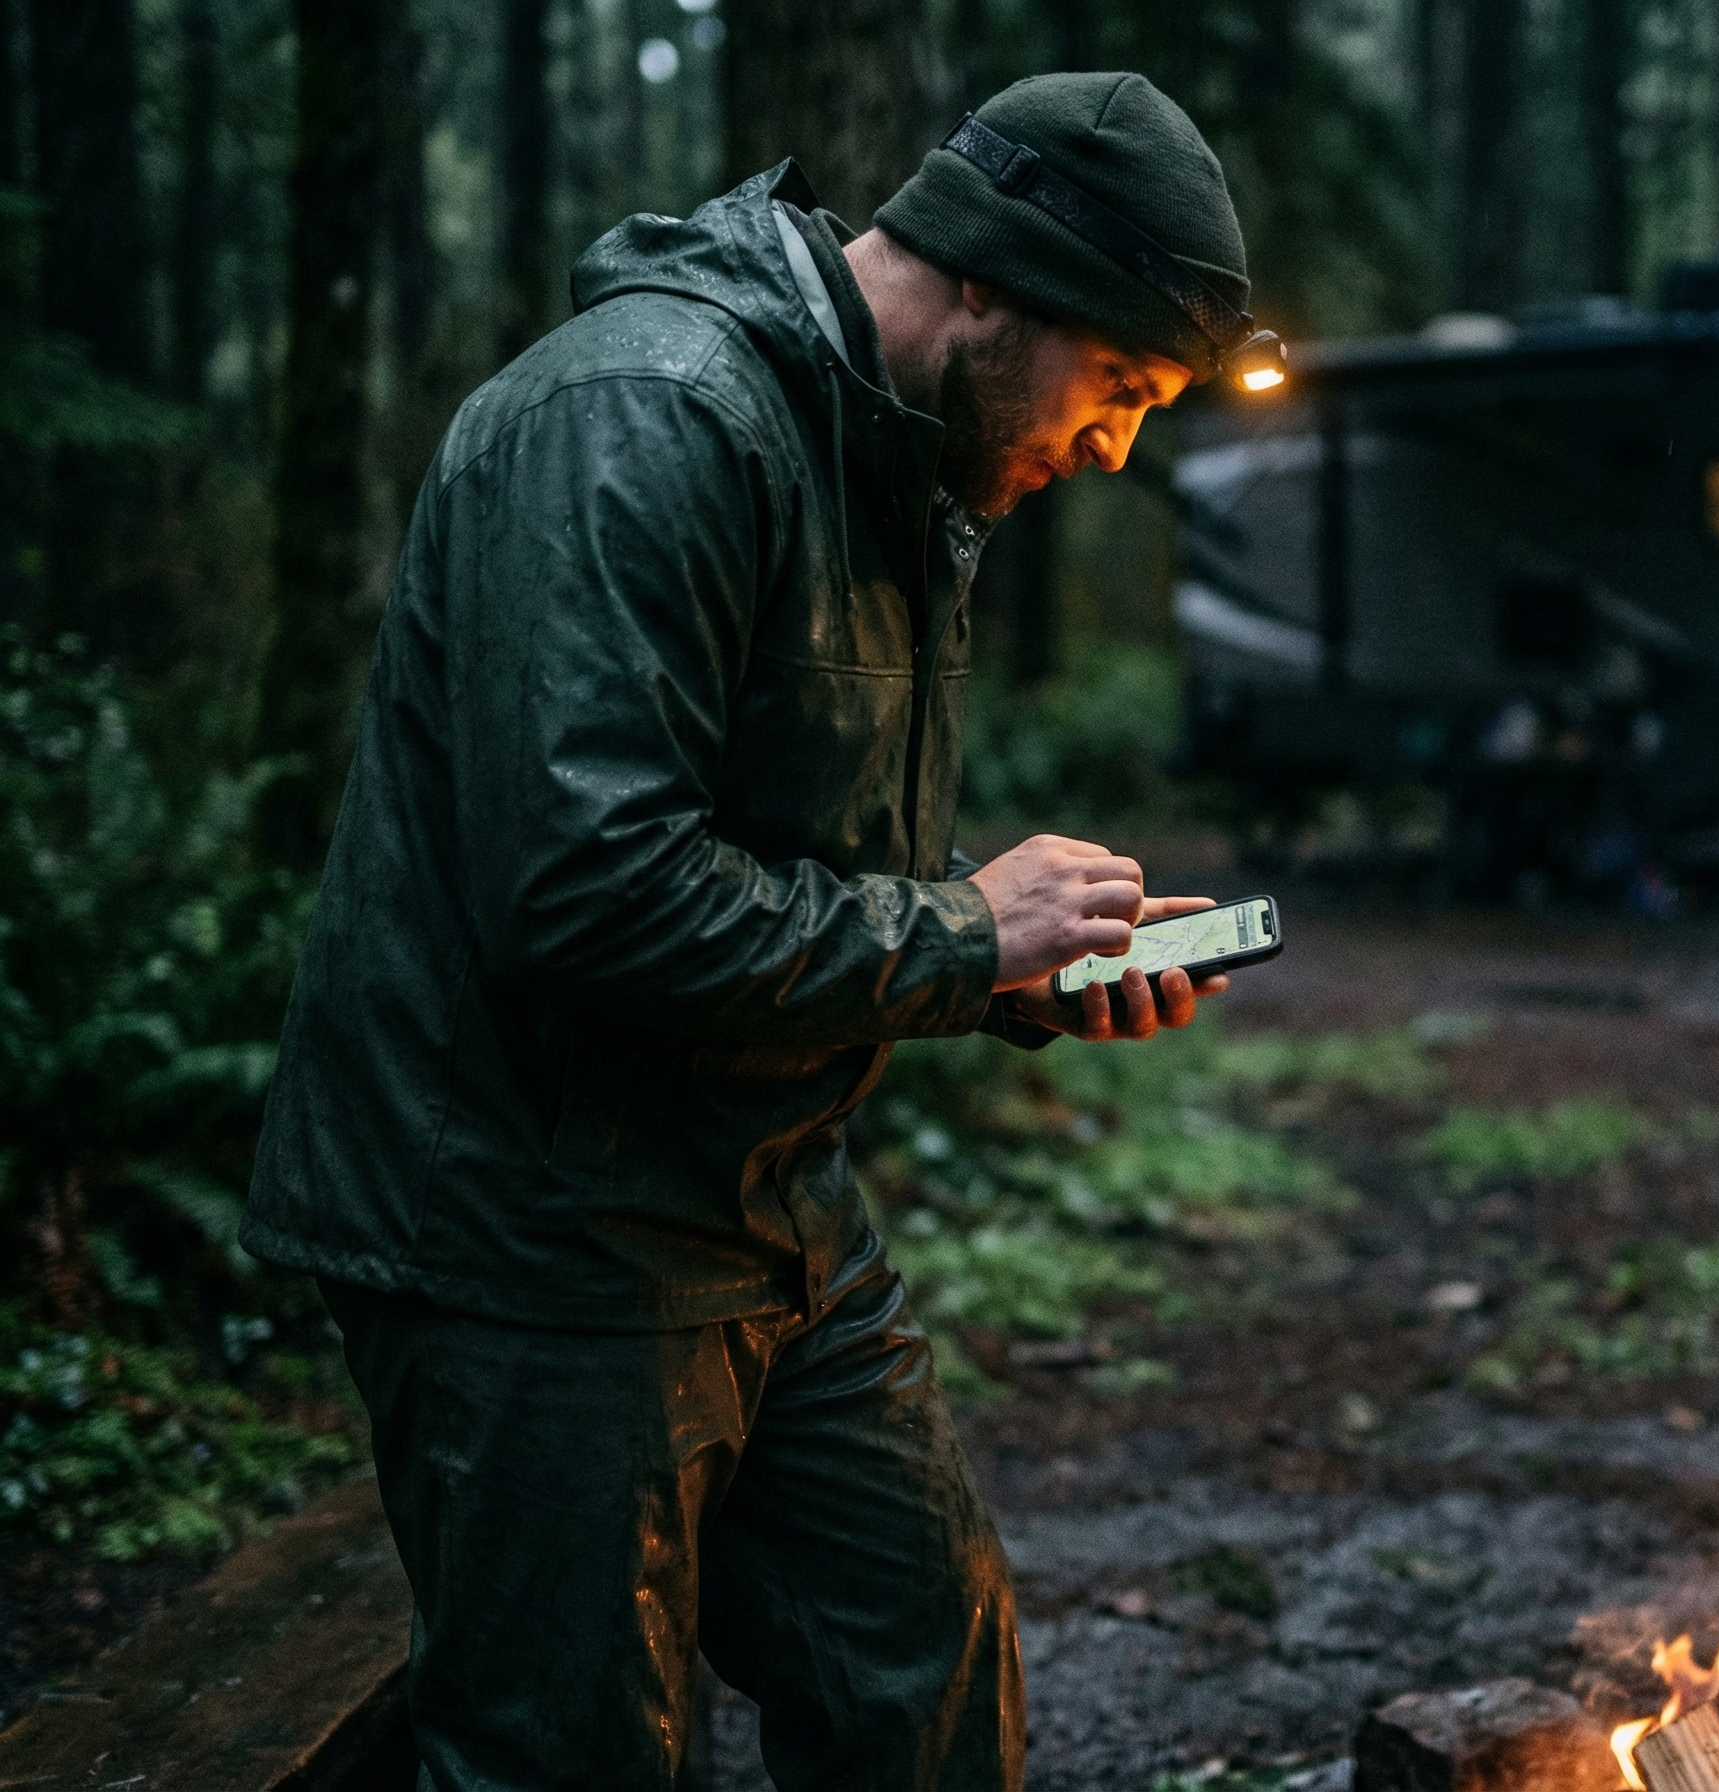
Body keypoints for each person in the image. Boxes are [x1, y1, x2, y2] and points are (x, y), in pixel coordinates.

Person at [239, 71, 1265, 1792]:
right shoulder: (645, 418)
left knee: (920, 1663)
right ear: (994, 283)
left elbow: (784, 847)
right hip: (527, 1224)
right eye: (1119, 388)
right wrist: (964, 933)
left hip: (764, 1203)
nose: (1115, 450)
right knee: (568, 1756)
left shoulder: (897, 455)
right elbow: (588, 891)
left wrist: (1020, 973)